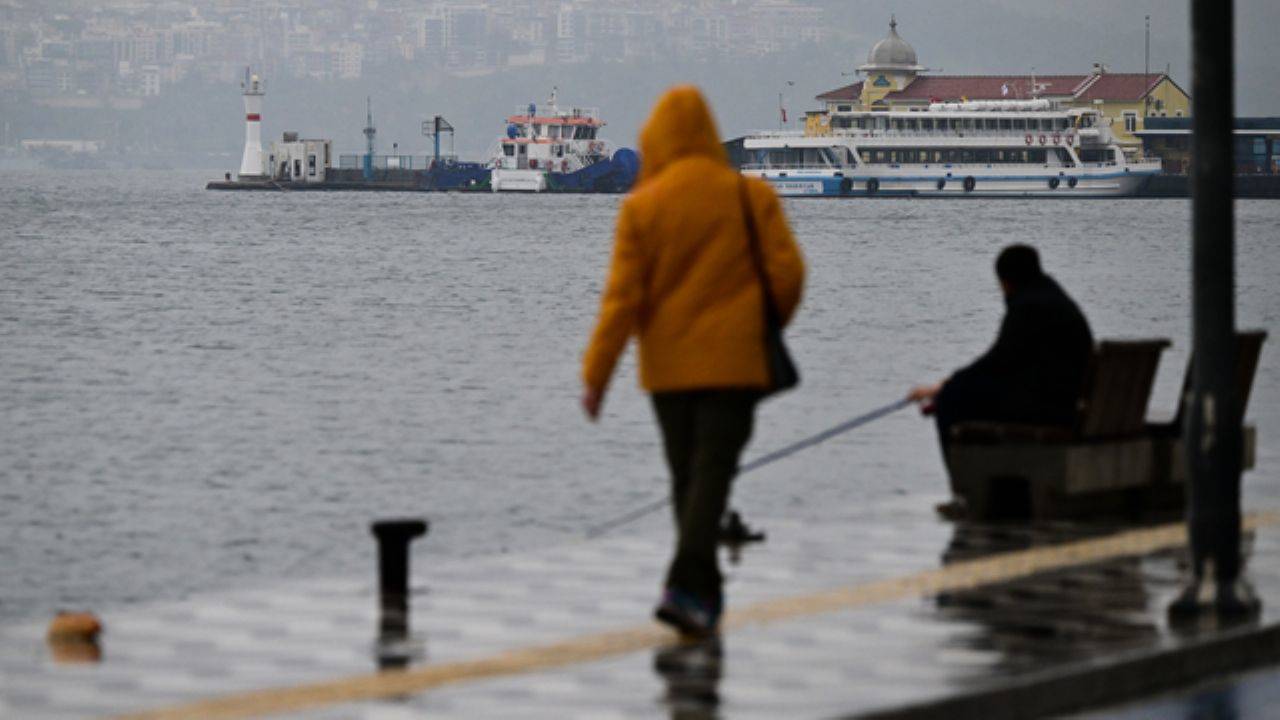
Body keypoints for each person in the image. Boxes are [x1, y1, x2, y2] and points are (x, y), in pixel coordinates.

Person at [580, 86, 805, 637]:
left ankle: (688, 589)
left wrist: (596, 376)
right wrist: (761, 322)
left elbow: (622, 301)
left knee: (688, 478)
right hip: (737, 365)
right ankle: (699, 593)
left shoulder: (643, 206)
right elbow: (789, 276)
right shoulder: (750, 197)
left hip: (668, 371)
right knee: (710, 477)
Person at [908, 245, 1093, 513]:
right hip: (1068, 400)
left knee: (950, 402)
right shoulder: (1054, 298)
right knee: (959, 394)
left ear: (1006, 281)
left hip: (1051, 408)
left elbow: (998, 361)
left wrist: (945, 387)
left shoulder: (1029, 306)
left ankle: (966, 494)